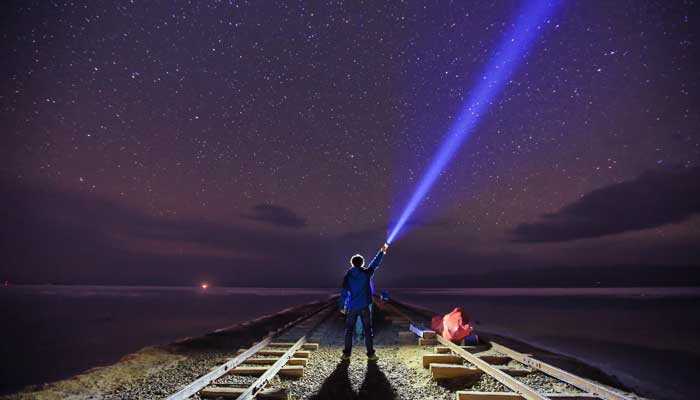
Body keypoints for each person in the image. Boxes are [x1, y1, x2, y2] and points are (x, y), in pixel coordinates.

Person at [339, 242, 389, 361]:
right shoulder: (366, 274)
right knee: (368, 331)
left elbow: (344, 292)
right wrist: (382, 252)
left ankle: (346, 354)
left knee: (349, 331)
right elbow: (374, 264)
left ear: (352, 263)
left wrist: (342, 306)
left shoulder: (348, 276)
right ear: (362, 263)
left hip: (352, 307)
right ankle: (371, 354)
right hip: (364, 307)